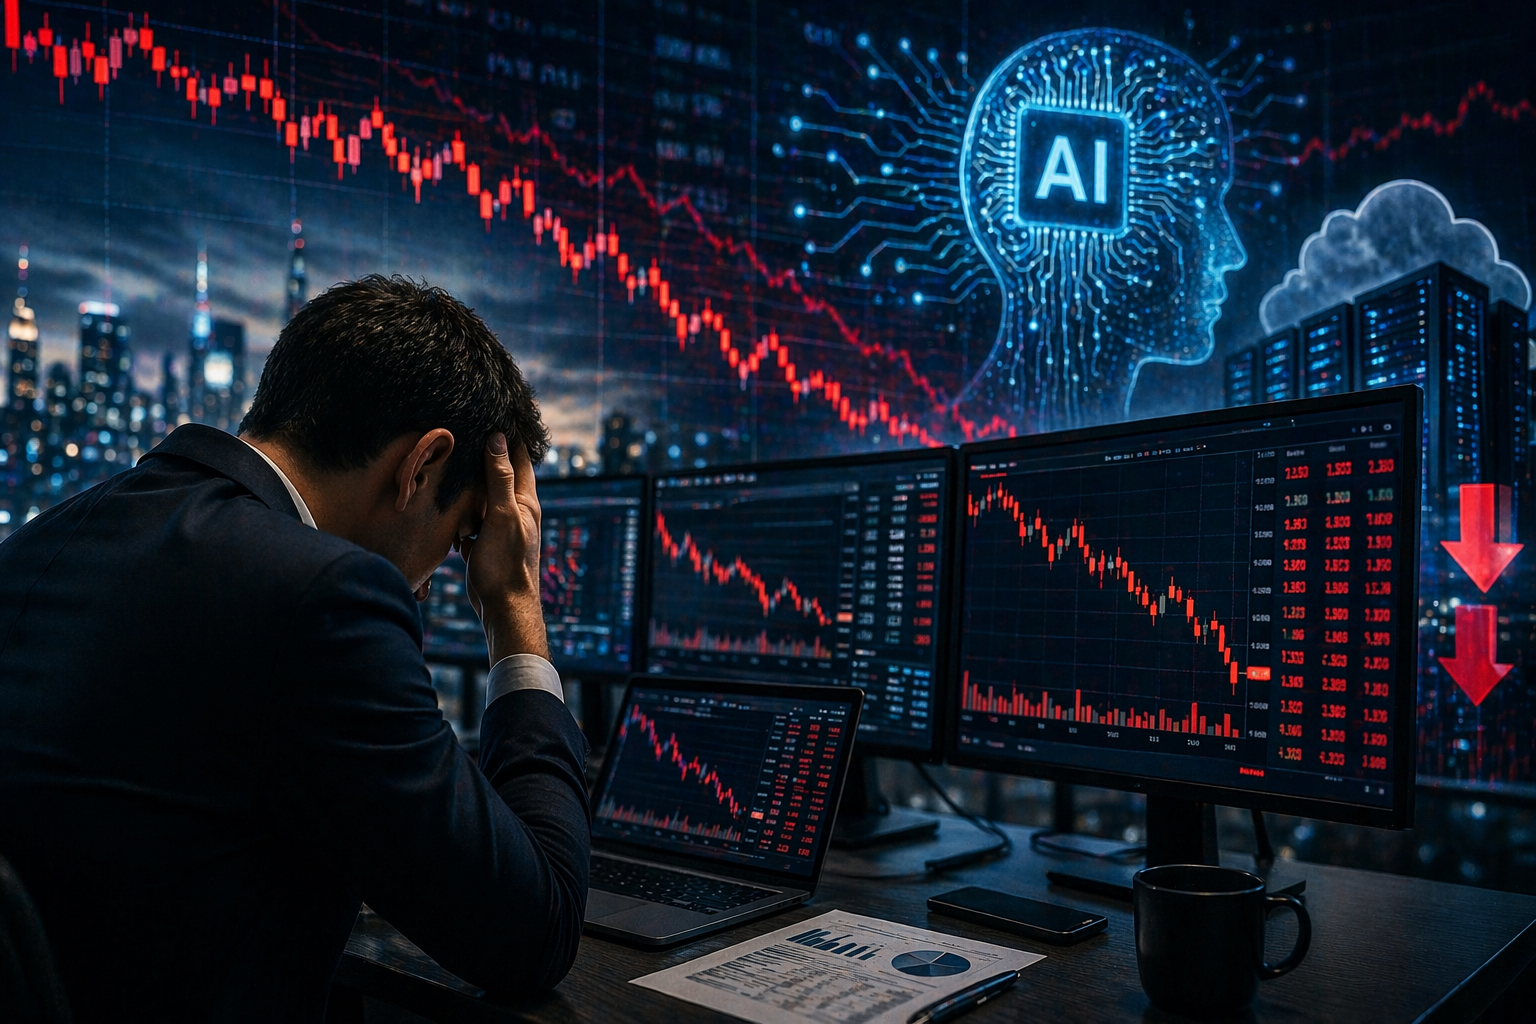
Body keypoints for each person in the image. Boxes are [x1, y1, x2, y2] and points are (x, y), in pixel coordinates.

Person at [0, 276, 589, 1020]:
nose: (440, 576)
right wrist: (514, 607)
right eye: (464, 534)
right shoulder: (325, 597)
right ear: (421, 466)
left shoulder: (35, 546)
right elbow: (536, 929)